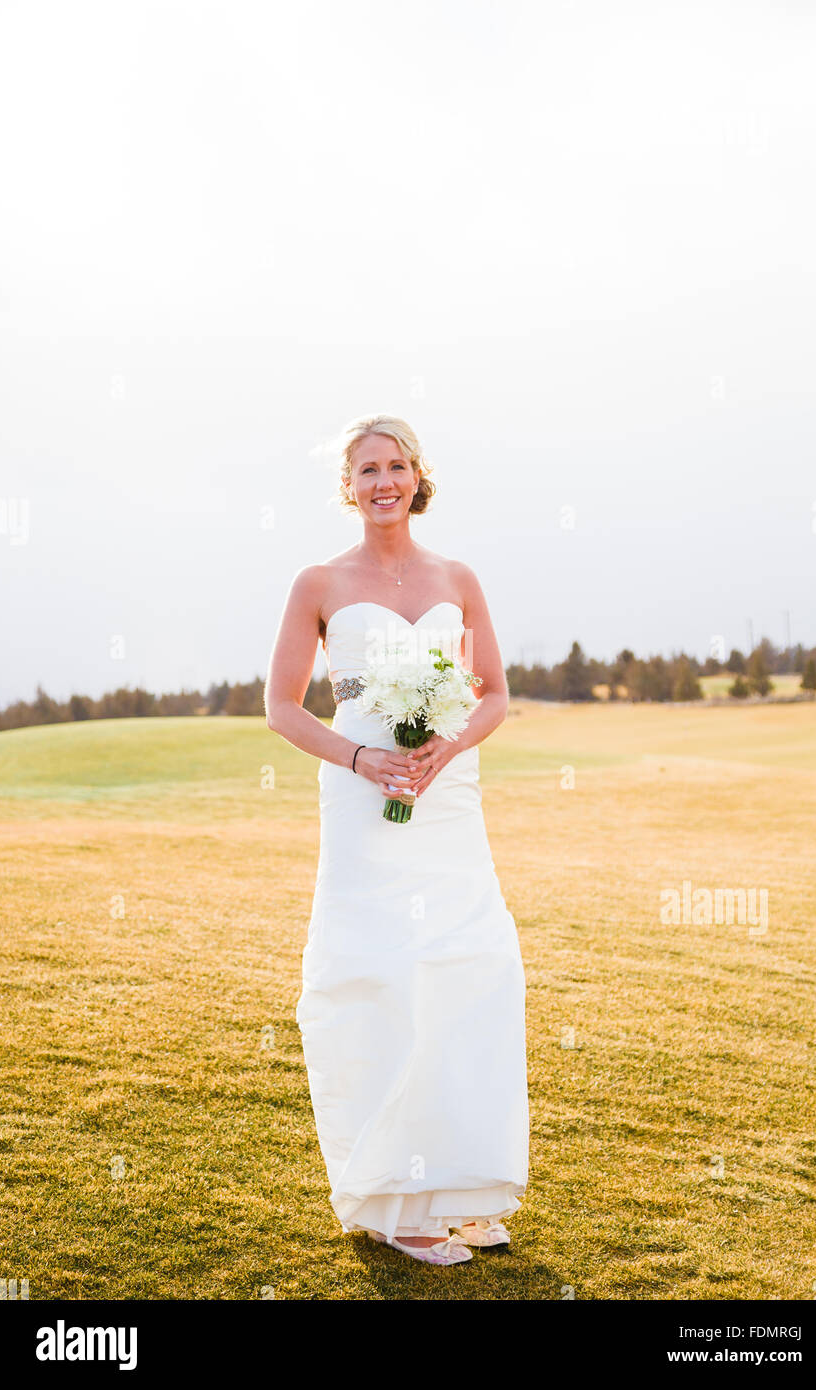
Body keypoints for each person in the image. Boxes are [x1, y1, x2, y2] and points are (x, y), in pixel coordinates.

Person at [264, 413, 529, 1266]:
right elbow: (280, 707)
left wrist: (446, 749)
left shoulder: (458, 576)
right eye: (367, 469)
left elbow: (493, 693)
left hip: (448, 804)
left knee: (472, 971)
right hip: (361, 807)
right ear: (347, 487)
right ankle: (399, 1202)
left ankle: (473, 1188)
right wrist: (360, 758)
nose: (383, 481)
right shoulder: (317, 583)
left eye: (396, 465)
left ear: (418, 476)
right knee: (382, 977)